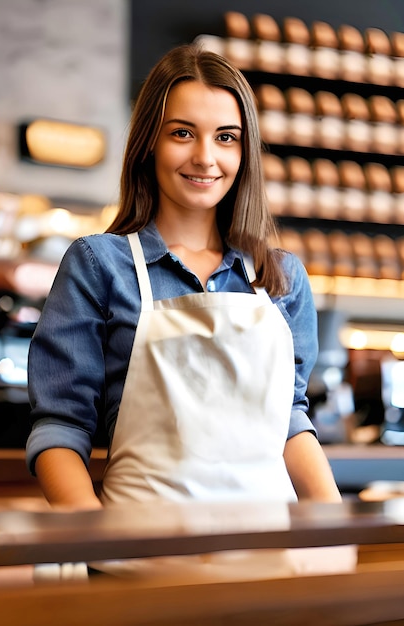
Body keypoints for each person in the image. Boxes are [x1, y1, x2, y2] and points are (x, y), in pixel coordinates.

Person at [26, 43, 347, 579]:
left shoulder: (280, 277)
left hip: (269, 564)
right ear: (150, 140)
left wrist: (334, 523)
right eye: (182, 133)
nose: (205, 157)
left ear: (245, 152)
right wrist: (91, 535)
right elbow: (61, 424)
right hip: (137, 567)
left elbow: (289, 420)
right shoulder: (99, 265)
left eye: (226, 138)